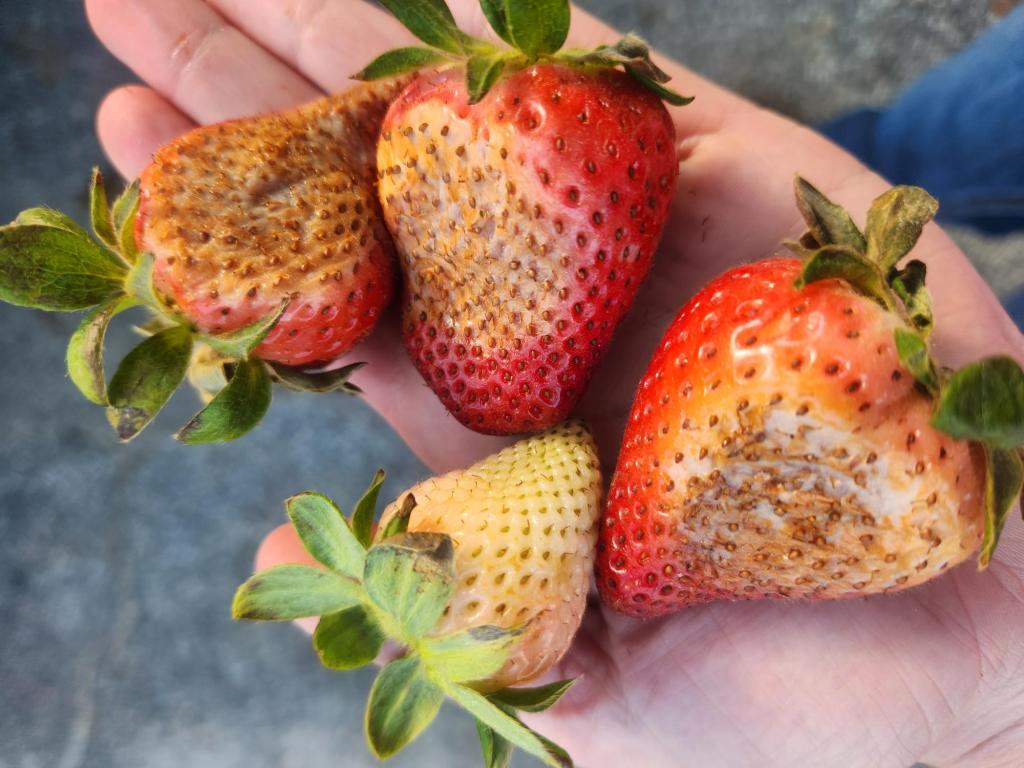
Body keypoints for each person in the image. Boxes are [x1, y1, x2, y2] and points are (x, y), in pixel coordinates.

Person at [83, 0, 1024, 765]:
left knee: (930, 149)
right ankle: (890, 143)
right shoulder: (927, 505)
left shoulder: (914, 474)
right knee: (929, 144)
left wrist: (997, 721)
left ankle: (891, 144)